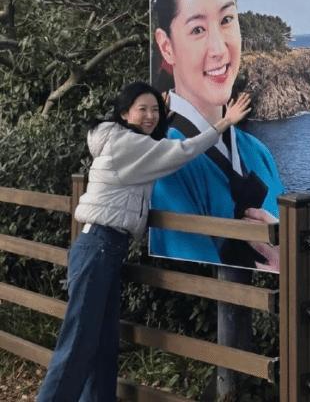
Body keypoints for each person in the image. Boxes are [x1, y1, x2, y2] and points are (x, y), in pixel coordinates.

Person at [37, 81, 251, 402]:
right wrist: (224, 122)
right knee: (78, 343)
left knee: (102, 344)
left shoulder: (123, 141)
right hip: (98, 247)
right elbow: (180, 151)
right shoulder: (127, 145)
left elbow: (155, 151)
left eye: (155, 110)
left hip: (104, 248)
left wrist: (165, 118)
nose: (150, 116)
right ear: (125, 113)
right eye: (142, 109)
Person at [150, 0, 283, 270]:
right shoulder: (165, 163)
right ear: (166, 47)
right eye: (197, 29)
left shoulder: (259, 154)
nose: (219, 49)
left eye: (226, 19)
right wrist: (285, 268)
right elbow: (193, 285)